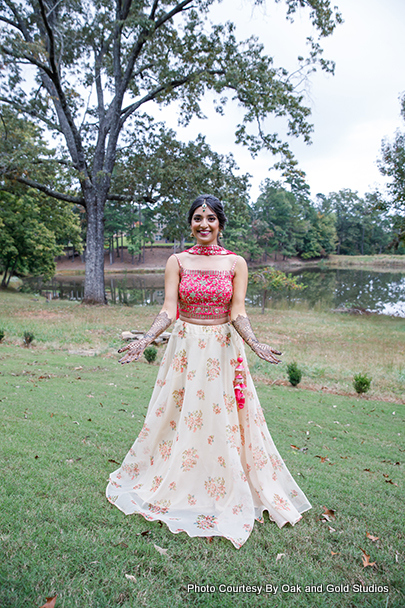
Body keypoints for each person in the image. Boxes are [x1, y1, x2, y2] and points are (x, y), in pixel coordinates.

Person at [106, 194, 311, 549]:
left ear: (220, 223)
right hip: (186, 347)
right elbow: (170, 309)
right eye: (198, 218)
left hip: (222, 349)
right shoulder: (177, 261)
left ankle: (226, 482)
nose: (203, 224)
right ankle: (177, 478)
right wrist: (145, 340)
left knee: (224, 417)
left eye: (211, 218)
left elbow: (237, 311)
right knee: (180, 414)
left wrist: (256, 343)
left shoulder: (236, 263)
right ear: (190, 222)